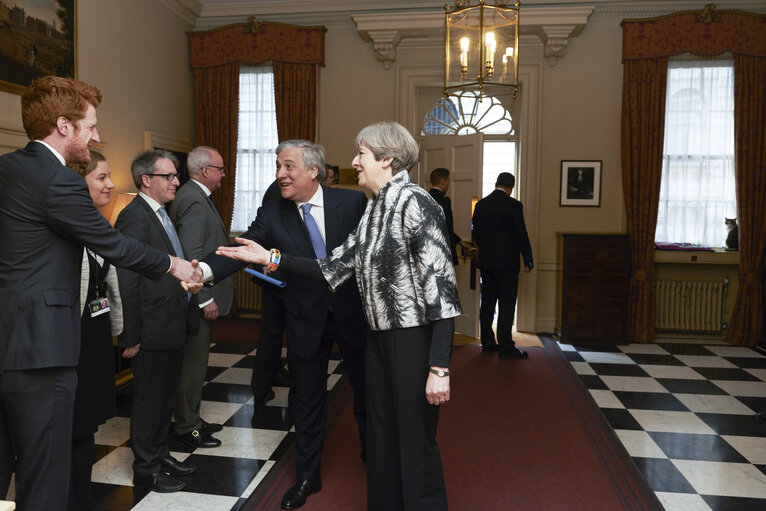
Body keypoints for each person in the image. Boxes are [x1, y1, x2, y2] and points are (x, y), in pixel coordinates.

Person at [215, 122, 462, 511]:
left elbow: (443, 290)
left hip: (411, 341)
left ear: (387, 159)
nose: (353, 162)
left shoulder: (417, 202)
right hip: (378, 339)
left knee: (413, 443)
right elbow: (334, 267)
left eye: (361, 154)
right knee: (382, 442)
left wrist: (440, 365)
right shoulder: (376, 207)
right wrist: (269, 257)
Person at [0, 76, 201, 511]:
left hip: (9, 340)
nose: (96, 135)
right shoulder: (60, 180)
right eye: (90, 126)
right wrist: (174, 264)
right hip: (44, 346)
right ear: (63, 126)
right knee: (44, 471)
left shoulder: (8, 168)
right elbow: (111, 243)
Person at [201, 140, 368, 510]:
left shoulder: (352, 203)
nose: (280, 174)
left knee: (367, 395)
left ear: (314, 170)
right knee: (307, 399)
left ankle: (375, 458)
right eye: (278, 166)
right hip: (306, 318)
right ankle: (308, 476)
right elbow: (245, 249)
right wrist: (204, 270)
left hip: (354, 316)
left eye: (288, 166)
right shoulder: (273, 212)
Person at [115, 150, 201, 493]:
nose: (177, 181)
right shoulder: (134, 218)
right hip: (150, 329)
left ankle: (160, 454)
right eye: (169, 176)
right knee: (149, 401)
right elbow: (127, 280)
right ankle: (146, 469)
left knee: (165, 397)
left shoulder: (161, 215)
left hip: (170, 324)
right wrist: (131, 334)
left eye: (176, 175)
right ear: (146, 180)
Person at [169, 146, 233, 448]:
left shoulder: (195, 196)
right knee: (192, 365)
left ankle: (191, 416)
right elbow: (190, 257)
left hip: (197, 294)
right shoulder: (194, 199)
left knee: (196, 363)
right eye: (220, 169)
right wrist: (204, 298)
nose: (223, 176)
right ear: (206, 171)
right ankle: (186, 426)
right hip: (197, 297)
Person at [68, 150, 122, 511]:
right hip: (72, 342)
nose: (111, 184)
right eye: (102, 177)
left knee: (87, 425)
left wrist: (120, 330)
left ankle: (81, 495)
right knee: (73, 424)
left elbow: (110, 283)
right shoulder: (65, 228)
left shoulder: (98, 224)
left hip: (97, 338)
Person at [471, 172, 533, 358]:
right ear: (511, 187)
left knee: (488, 304)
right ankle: (506, 346)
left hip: (487, 261)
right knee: (506, 305)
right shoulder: (513, 205)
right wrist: (528, 259)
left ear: (497, 183)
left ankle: (488, 343)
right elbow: (520, 233)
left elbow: (477, 233)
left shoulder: (481, 204)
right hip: (506, 263)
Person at [249, 179, 291, 407]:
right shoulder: (279, 190)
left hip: (281, 274)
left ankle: (275, 373)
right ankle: (261, 387)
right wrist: (272, 263)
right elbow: (273, 235)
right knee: (271, 334)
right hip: (275, 275)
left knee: (275, 333)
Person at [429, 167, 472, 265]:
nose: (448, 186)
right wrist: (457, 242)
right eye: (448, 182)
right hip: (443, 250)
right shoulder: (444, 201)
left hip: (428, 249)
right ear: (443, 181)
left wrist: (459, 241)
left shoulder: (424, 197)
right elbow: (446, 226)